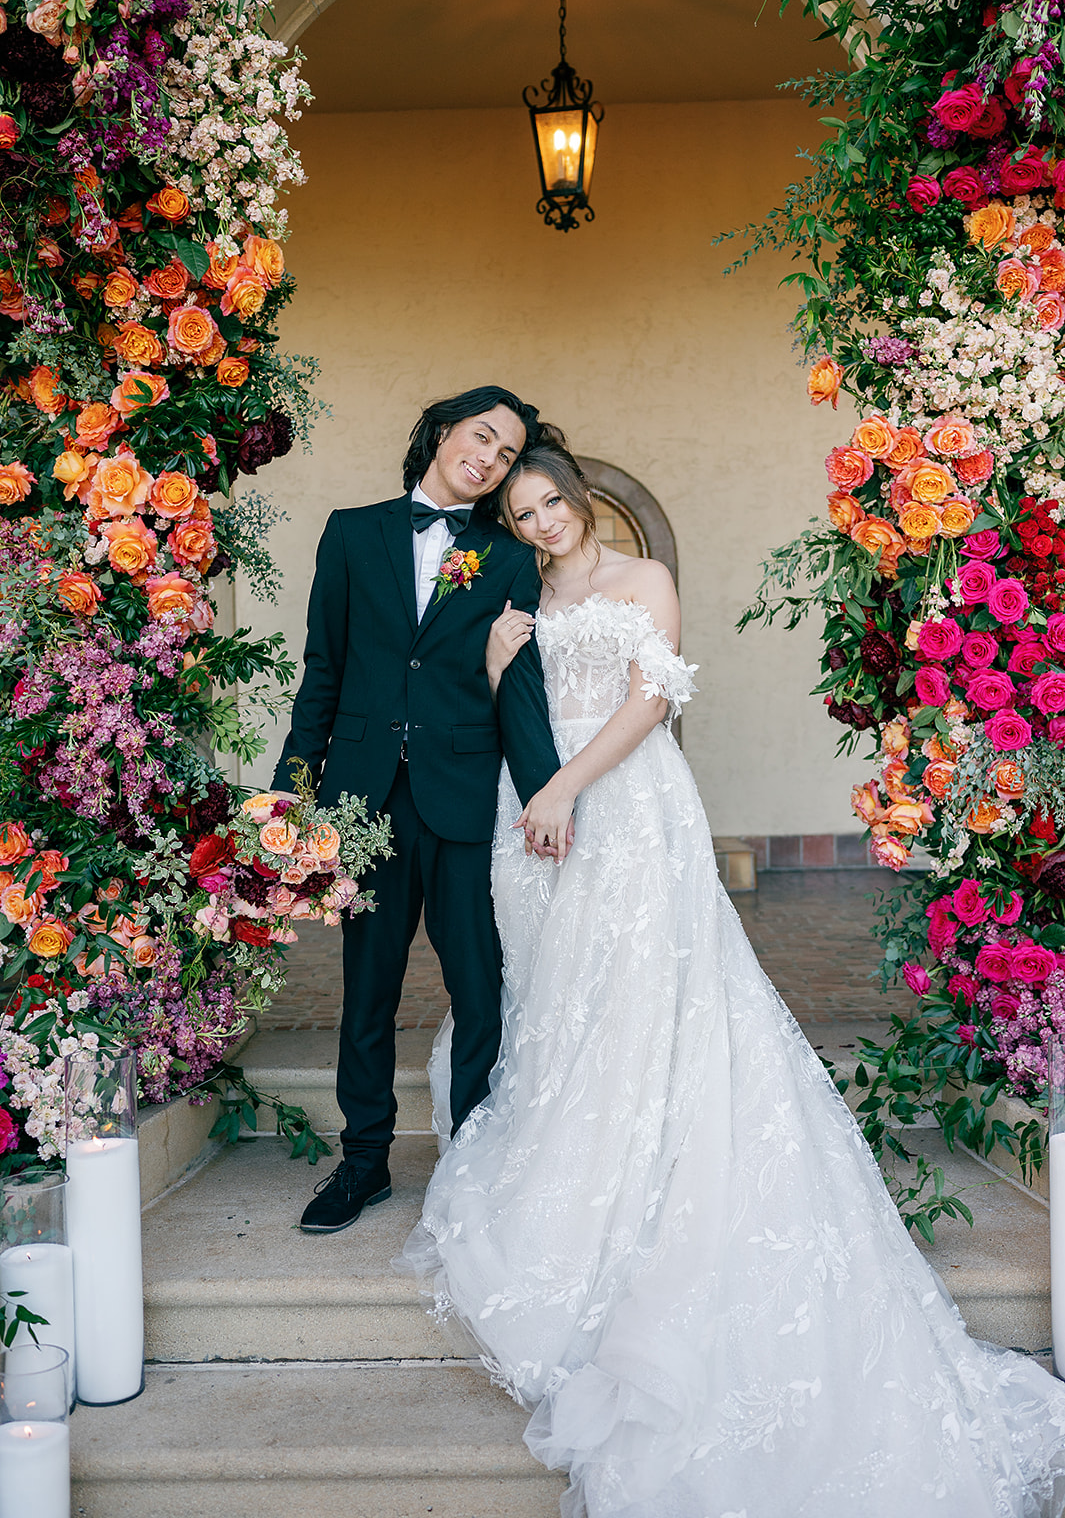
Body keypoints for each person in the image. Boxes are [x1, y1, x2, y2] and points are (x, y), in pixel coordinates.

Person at [401, 439, 1065, 1517]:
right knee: (559, 1002)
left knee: (646, 994)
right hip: (531, 820)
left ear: (580, 496)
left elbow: (649, 702)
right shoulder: (516, 591)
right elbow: (502, 706)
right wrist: (494, 673)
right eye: (520, 514)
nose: (540, 523)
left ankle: (658, 1166)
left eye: (548, 503)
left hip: (621, 801)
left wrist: (568, 787)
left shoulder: (643, 577)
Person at [272, 386, 561, 1234]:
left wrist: (545, 790)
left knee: (478, 987)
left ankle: (470, 1161)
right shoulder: (351, 531)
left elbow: (519, 692)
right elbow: (321, 668)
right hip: (363, 797)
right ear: (441, 432)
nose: (490, 459)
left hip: (464, 795)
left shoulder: (509, 560)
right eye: (482, 437)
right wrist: (293, 791)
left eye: (508, 454)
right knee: (367, 989)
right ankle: (363, 1163)